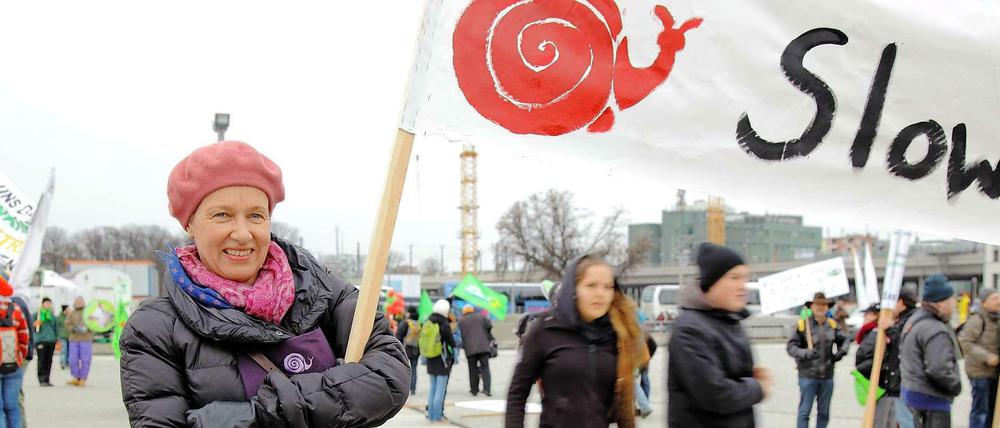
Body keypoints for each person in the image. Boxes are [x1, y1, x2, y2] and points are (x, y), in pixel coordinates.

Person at [119, 141, 409, 427]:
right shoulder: (154, 329)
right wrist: (332, 398)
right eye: (223, 215)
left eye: (256, 215)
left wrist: (258, 416)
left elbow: (389, 374)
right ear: (190, 223)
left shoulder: (323, 290)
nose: (243, 234)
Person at [506, 255, 650, 428]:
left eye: (608, 287)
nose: (600, 293)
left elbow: (625, 408)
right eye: (591, 285)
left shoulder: (618, 334)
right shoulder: (545, 329)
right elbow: (517, 394)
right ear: (572, 289)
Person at [668, 243, 769, 427]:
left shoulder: (731, 321)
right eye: (734, 278)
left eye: (745, 278)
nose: (743, 286)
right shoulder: (689, 329)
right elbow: (716, 394)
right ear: (713, 281)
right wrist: (758, 387)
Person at [901, 274, 962, 427]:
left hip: (911, 396)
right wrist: (956, 386)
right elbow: (939, 369)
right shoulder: (935, 329)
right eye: (951, 299)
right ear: (941, 302)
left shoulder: (914, 320)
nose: (954, 303)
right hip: (931, 403)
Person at [787, 292, 850, 428]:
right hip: (808, 375)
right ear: (812, 306)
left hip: (827, 375)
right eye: (818, 304)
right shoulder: (802, 325)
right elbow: (791, 347)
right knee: (804, 412)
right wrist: (805, 353)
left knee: (824, 413)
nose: (821, 307)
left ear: (827, 307)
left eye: (824, 304)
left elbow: (845, 338)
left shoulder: (833, 324)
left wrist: (842, 351)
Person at [958, 287, 1000, 428]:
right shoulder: (977, 319)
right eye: (994, 298)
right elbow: (964, 341)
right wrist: (987, 356)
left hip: (994, 372)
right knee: (980, 410)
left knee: (992, 410)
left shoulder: (997, 318)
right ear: (984, 303)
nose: (998, 301)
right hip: (979, 372)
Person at [855, 303, 896, 427]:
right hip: (878, 386)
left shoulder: (876, 333)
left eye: (867, 314)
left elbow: (866, 357)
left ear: (875, 315)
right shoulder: (870, 332)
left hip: (881, 387)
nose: (864, 317)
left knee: (881, 421)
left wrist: (863, 369)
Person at [887, 289, 919, 428]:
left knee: (906, 420)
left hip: (905, 381)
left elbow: (904, 343)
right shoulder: (908, 319)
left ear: (900, 303)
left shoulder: (910, 321)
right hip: (904, 380)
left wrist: (889, 328)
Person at [0, 276, 29, 428]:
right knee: (12, 406)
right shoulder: (15, 308)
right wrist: (19, 358)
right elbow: (25, 336)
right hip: (13, 363)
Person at [424, 299, 456, 422]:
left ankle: (431, 415)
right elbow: (452, 343)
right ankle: (437, 416)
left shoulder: (428, 321)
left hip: (430, 358)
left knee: (432, 388)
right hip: (442, 360)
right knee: (440, 389)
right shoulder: (444, 323)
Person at [459, 305, 493, 397]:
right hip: (483, 347)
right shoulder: (480, 316)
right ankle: (487, 389)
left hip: (469, 348)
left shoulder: (461, 321)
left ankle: (474, 390)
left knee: (472, 369)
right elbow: (489, 325)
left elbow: (459, 335)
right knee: (485, 368)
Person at [64, 296, 92, 387]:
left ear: (83, 302)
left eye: (79, 301)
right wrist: (74, 328)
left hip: (86, 339)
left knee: (85, 360)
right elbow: (67, 324)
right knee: (73, 359)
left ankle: (83, 378)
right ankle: (75, 377)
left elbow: (95, 324)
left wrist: (87, 328)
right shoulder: (71, 313)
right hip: (74, 339)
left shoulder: (88, 312)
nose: (78, 303)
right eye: (76, 301)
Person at [395, 306, 421, 395]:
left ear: (409, 313)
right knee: (414, 369)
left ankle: (403, 388)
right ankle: (413, 389)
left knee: (404, 369)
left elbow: (398, 336)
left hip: (405, 349)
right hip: (416, 349)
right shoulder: (419, 323)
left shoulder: (405, 323)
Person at [33, 297, 59, 387]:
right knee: (41, 360)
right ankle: (41, 379)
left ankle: (47, 378)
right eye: (46, 303)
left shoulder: (52, 317)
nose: (48, 305)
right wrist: (35, 324)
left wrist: (57, 339)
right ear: (42, 304)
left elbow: (56, 328)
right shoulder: (37, 315)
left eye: (49, 303)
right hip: (41, 340)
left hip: (51, 340)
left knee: (49, 360)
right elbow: (31, 327)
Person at [56, 305, 69, 370]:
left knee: (69, 351)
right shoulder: (59, 318)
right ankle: (62, 363)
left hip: (70, 337)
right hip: (62, 336)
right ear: (64, 310)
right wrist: (57, 337)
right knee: (63, 350)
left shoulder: (70, 317)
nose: (68, 310)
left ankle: (67, 363)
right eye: (67, 309)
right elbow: (57, 327)